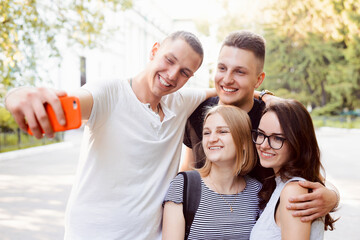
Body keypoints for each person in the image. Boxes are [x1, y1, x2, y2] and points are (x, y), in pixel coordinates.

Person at [4, 31, 216, 240]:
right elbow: (73, 101)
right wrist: (16, 94)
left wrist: (248, 89)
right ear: (154, 50)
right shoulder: (109, 93)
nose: (172, 75)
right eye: (169, 60)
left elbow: (220, 91)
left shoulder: (179, 103)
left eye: (184, 72)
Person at [181, 30, 339, 222]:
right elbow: (189, 169)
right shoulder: (198, 112)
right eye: (222, 68)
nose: (227, 79)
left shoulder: (271, 120)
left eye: (239, 71)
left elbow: (306, 170)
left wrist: (333, 196)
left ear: (258, 79)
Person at [163, 105, 262, 239]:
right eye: (207, 133)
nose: (212, 139)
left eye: (222, 132)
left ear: (244, 141)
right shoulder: (184, 186)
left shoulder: (257, 191)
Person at [250, 99, 336, 239]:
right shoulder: (281, 184)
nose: (264, 145)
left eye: (277, 138)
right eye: (261, 134)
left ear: (298, 142)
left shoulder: (293, 191)